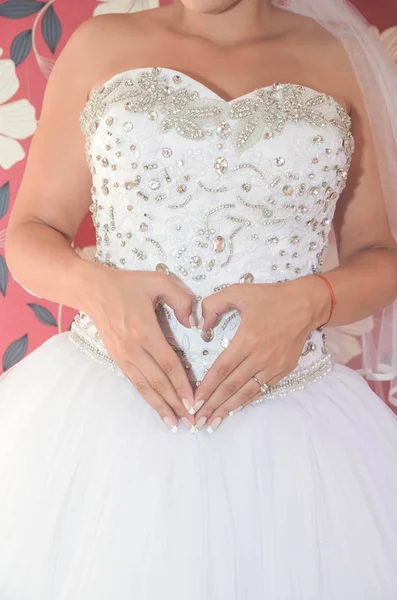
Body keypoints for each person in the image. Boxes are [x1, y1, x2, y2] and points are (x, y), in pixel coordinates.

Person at [0, 0, 397, 597]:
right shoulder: (96, 46)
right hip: (104, 420)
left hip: (292, 438)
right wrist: (97, 287)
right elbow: (28, 233)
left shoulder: (339, 55)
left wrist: (314, 300)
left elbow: (380, 257)